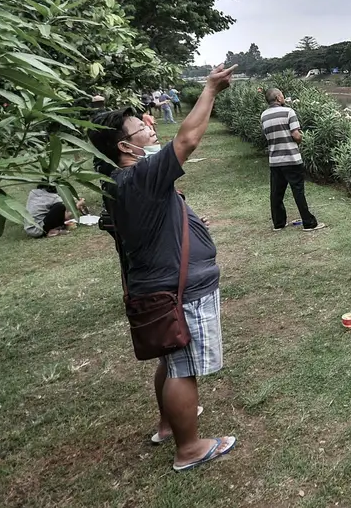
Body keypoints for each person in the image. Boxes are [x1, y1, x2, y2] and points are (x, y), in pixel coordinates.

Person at [88, 63, 239, 472]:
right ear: (125, 147)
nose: (152, 130)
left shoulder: (117, 184)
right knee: (184, 368)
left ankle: (168, 425)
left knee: (171, 361)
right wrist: (210, 89)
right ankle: (189, 448)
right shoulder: (138, 178)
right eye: (143, 129)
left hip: (158, 286)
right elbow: (188, 138)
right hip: (178, 289)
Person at [260, 88, 325, 231]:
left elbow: (268, 136)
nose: (283, 98)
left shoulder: (264, 115)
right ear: (278, 98)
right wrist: (301, 137)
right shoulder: (289, 112)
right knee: (298, 191)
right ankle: (309, 223)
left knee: (276, 193)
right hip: (291, 158)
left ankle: (278, 223)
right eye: (282, 96)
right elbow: (296, 135)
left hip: (275, 160)